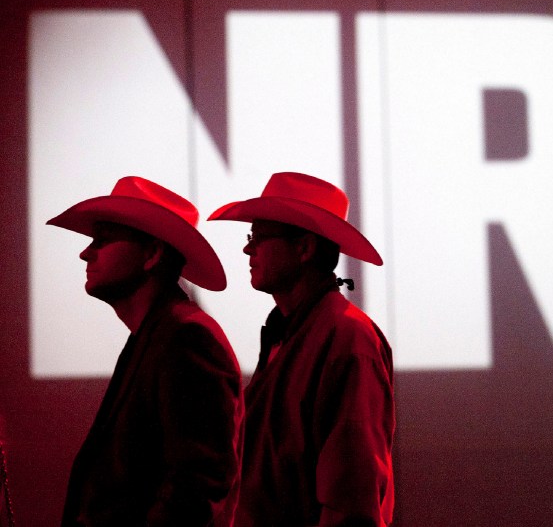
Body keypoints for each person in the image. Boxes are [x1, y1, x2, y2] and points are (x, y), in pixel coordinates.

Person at [48, 176, 243, 527]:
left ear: (152, 254)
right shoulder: (158, 335)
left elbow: (196, 487)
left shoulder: (186, 339)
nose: (85, 252)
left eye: (103, 240)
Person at [209, 172, 394, 527]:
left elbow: (352, 500)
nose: (248, 248)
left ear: (304, 248)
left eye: (260, 237)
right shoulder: (290, 331)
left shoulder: (347, 338)